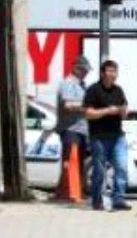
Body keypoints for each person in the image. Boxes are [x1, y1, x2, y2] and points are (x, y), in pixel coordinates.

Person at [83, 59, 131, 212]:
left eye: (114, 71)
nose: (112, 74)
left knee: (122, 167)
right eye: (109, 71)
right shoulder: (93, 90)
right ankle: (97, 200)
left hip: (118, 136)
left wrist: (123, 112)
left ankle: (118, 199)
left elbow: (124, 111)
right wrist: (107, 111)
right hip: (99, 136)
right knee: (99, 171)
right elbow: (88, 114)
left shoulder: (119, 90)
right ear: (103, 73)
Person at [53, 56, 91, 200]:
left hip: (81, 130)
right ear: (76, 68)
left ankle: (64, 192)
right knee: (72, 160)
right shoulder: (68, 83)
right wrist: (86, 106)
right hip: (71, 130)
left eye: (87, 70)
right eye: (84, 70)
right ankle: (73, 193)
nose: (86, 73)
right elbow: (68, 105)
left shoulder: (82, 85)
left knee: (76, 162)